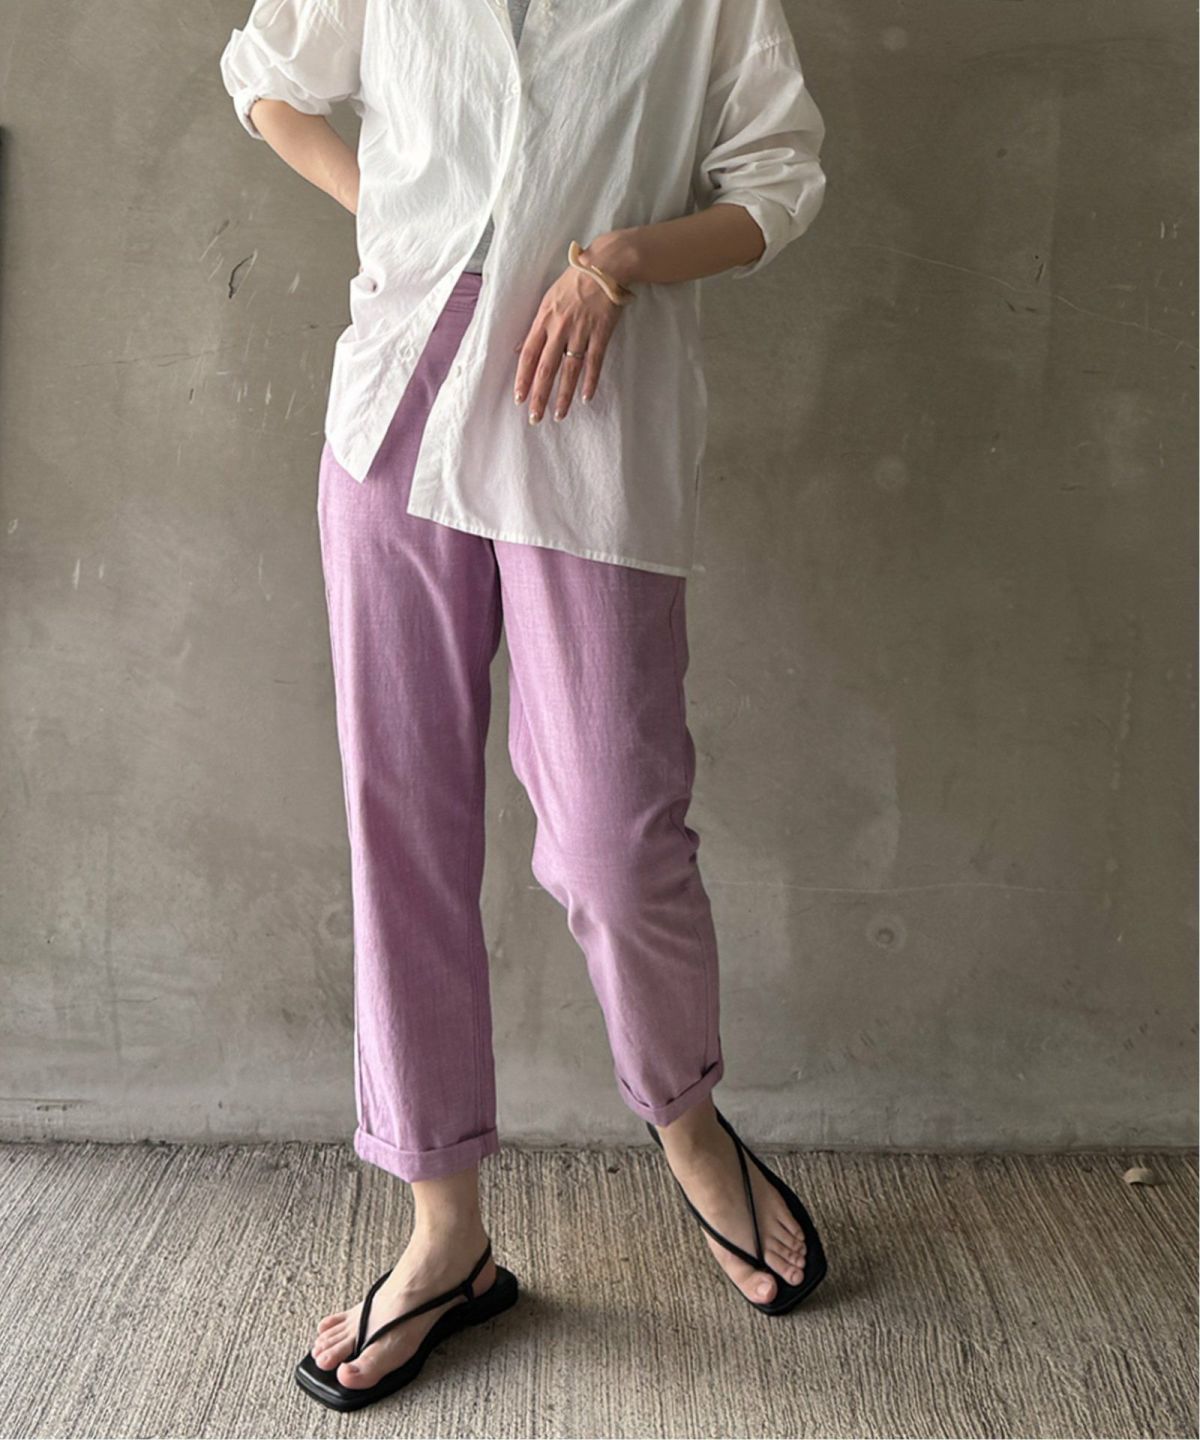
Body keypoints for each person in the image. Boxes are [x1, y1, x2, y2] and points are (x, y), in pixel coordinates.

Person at [219, 0, 829, 1411]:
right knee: (401, 819)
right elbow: (266, 82)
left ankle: (688, 1121)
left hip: (586, 411)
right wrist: (401, 219)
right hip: (395, 405)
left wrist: (621, 262)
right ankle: (445, 1231)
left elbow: (780, 175)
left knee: (616, 837)